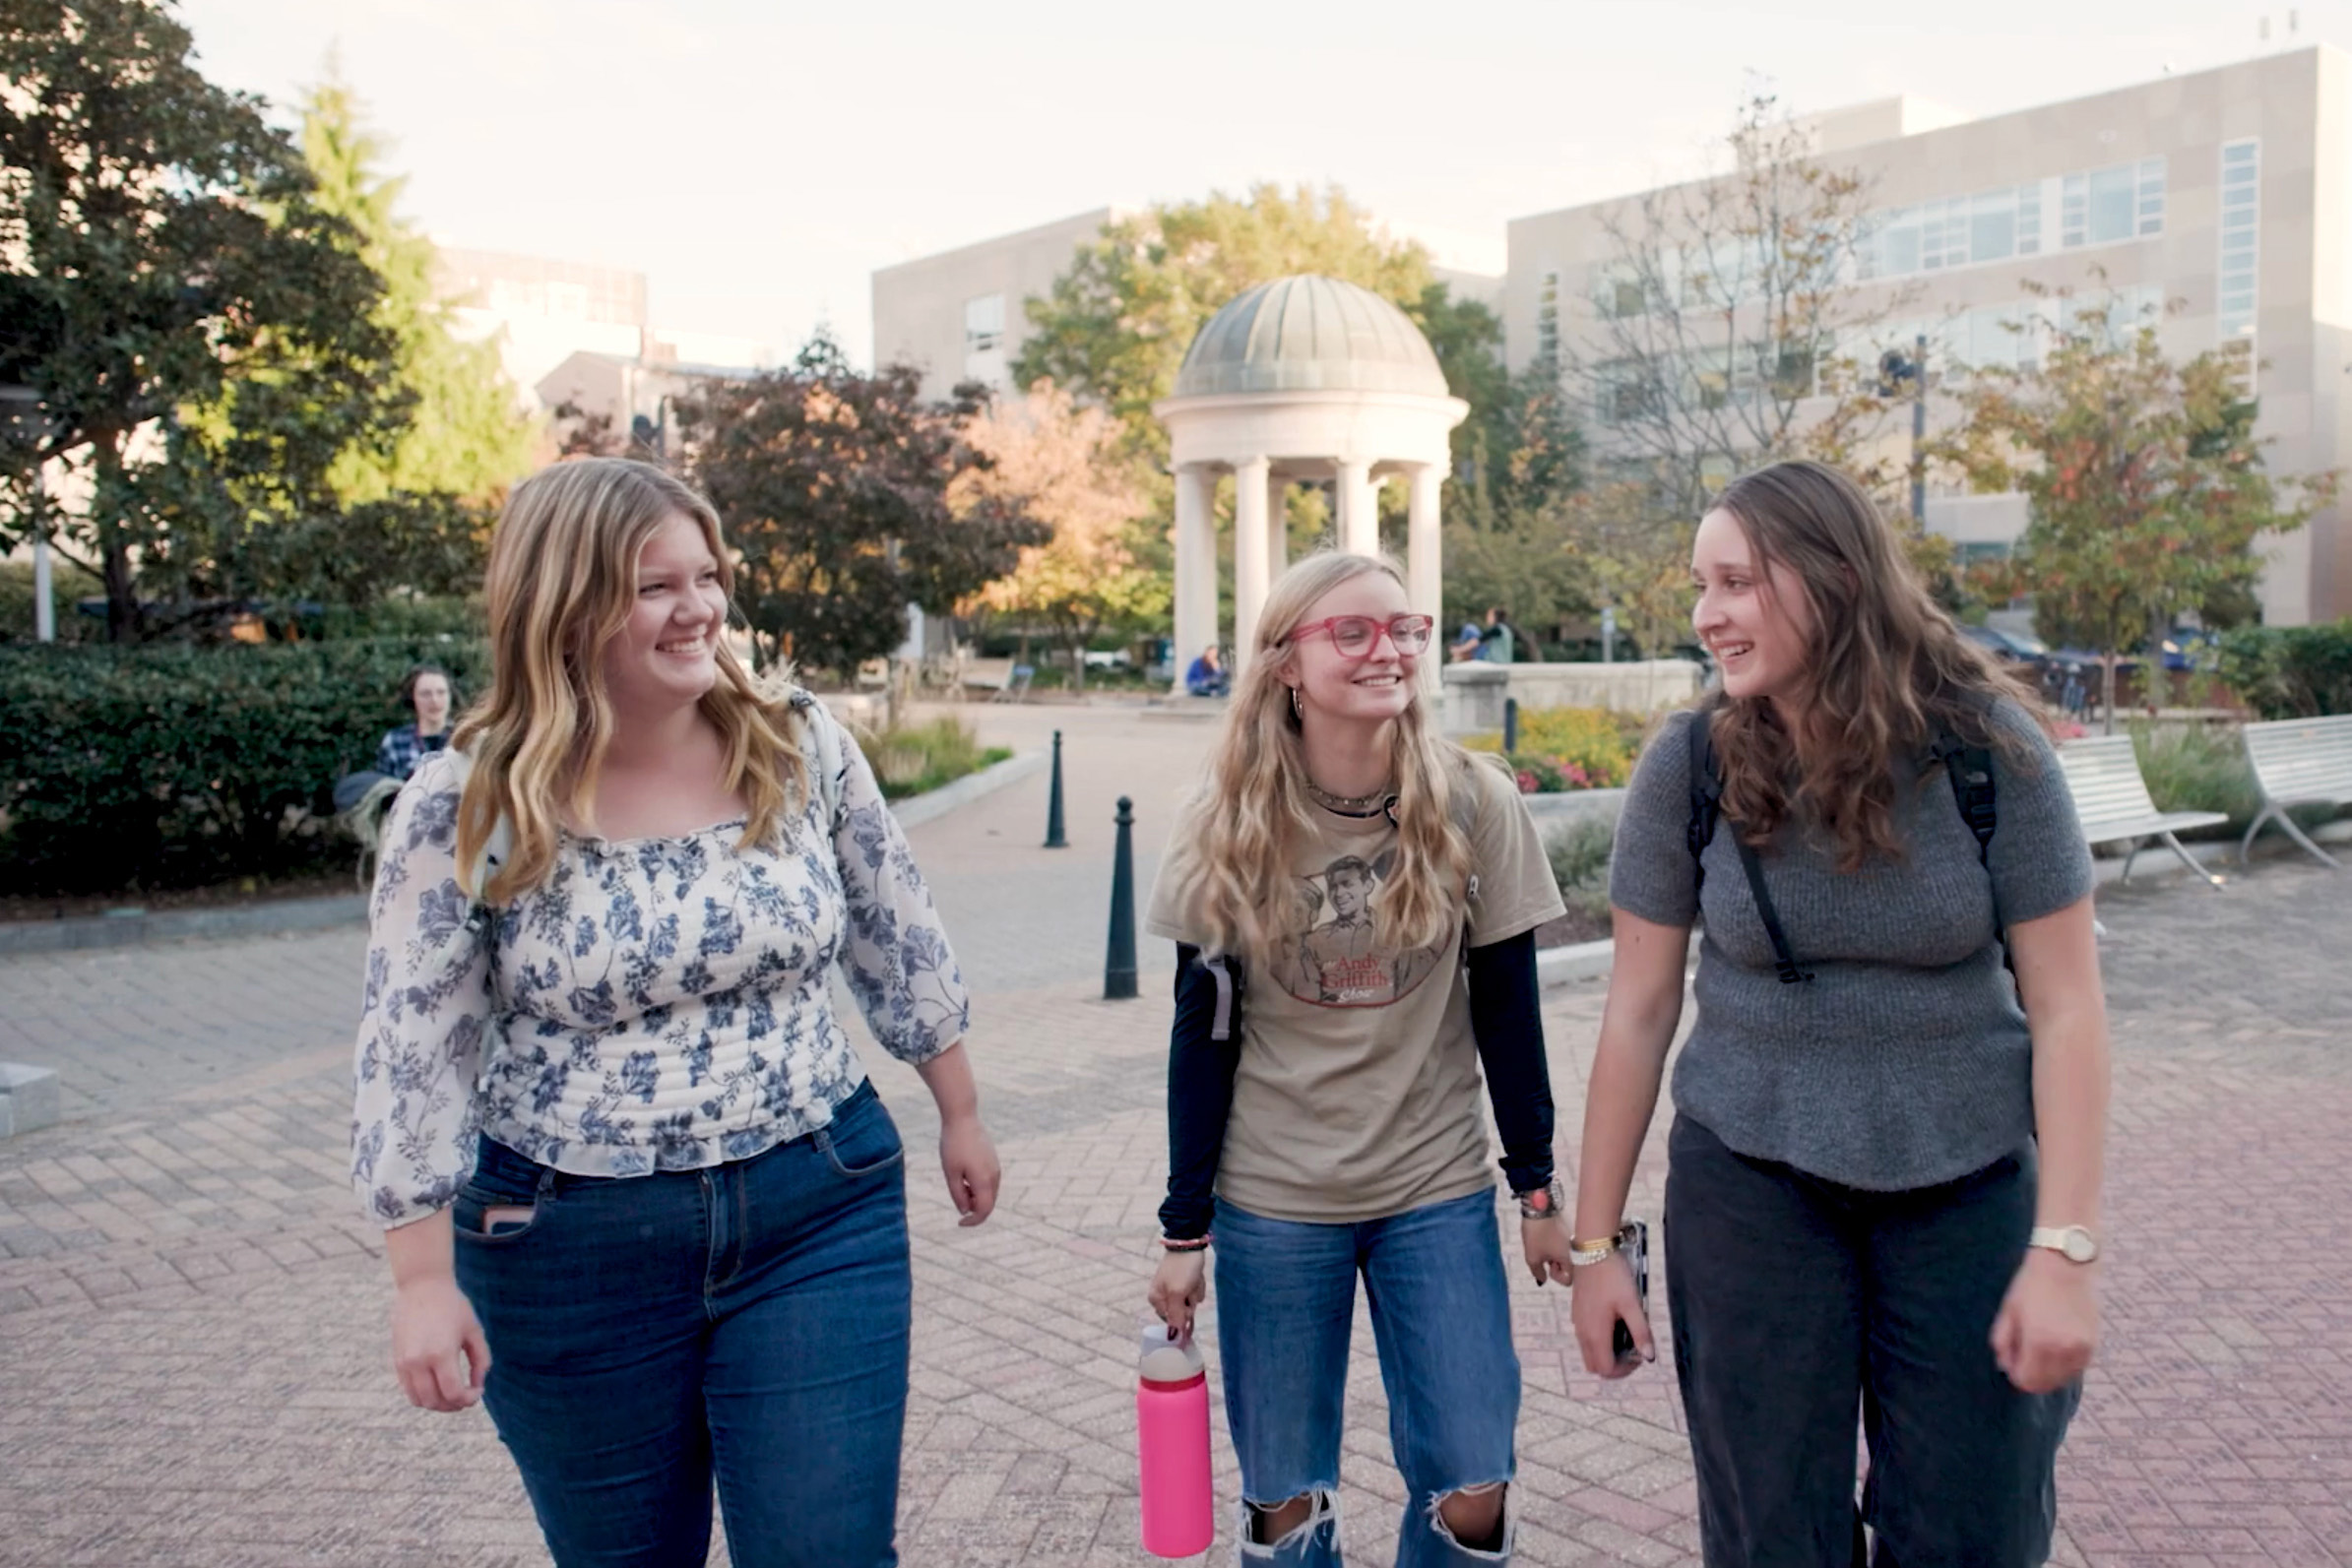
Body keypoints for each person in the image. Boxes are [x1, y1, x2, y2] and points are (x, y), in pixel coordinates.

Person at [350, 458, 1000, 1568]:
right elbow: (416, 1044)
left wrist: (960, 1109)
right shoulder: (469, 799)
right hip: (566, 1244)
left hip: (817, 1205)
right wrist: (419, 1280)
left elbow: (898, 930)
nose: (698, 607)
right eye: (656, 585)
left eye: (708, 575)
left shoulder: (795, 743)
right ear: (568, 603)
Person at [1569, 460, 2108, 1566]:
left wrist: (2063, 1249)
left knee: (1976, 1529)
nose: (1705, 616)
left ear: (1834, 577)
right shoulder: (1689, 764)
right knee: (1772, 1536)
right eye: (1698, 586)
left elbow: (2068, 1013)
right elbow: (1635, 1013)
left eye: (1734, 582)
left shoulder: (1990, 756)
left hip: (1965, 1189)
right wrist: (1594, 1247)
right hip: (1751, 1186)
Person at [1143, 549, 1570, 1564]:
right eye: (1352, 631)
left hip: (1433, 1188)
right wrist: (1183, 1227)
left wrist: (1539, 1192)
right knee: (1285, 1504)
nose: (1387, 651)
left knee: (1474, 1482)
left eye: (1404, 630)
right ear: (1287, 662)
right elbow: (1201, 1038)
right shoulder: (1226, 825)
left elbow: (1509, 1015)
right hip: (1275, 1200)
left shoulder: (1471, 800)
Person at [376, 664, 455, 780]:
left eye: (441, 692)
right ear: (412, 697)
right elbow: (384, 790)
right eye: (425, 694)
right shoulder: (395, 741)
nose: (434, 700)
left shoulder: (467, 739)